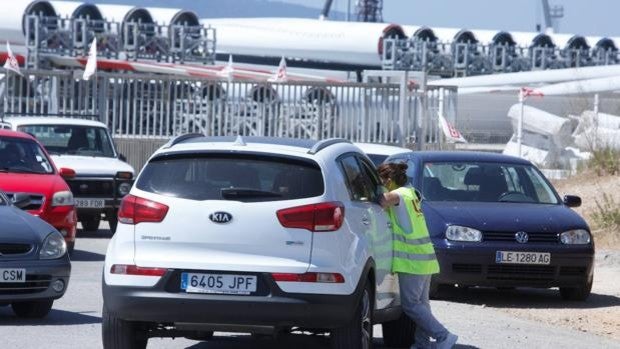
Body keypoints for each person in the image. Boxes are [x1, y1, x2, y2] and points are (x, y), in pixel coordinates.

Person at [377, 162, 458, 349]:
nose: (382, 185)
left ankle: (443, 336)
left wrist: (372, 189)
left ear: (389, 180)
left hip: (412, 261)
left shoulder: (399, 194)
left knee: (411, 305)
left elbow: (382, 200)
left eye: (383, 181)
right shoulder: (411, 193)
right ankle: (422, 344)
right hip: (424, 258)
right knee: (422, 305)